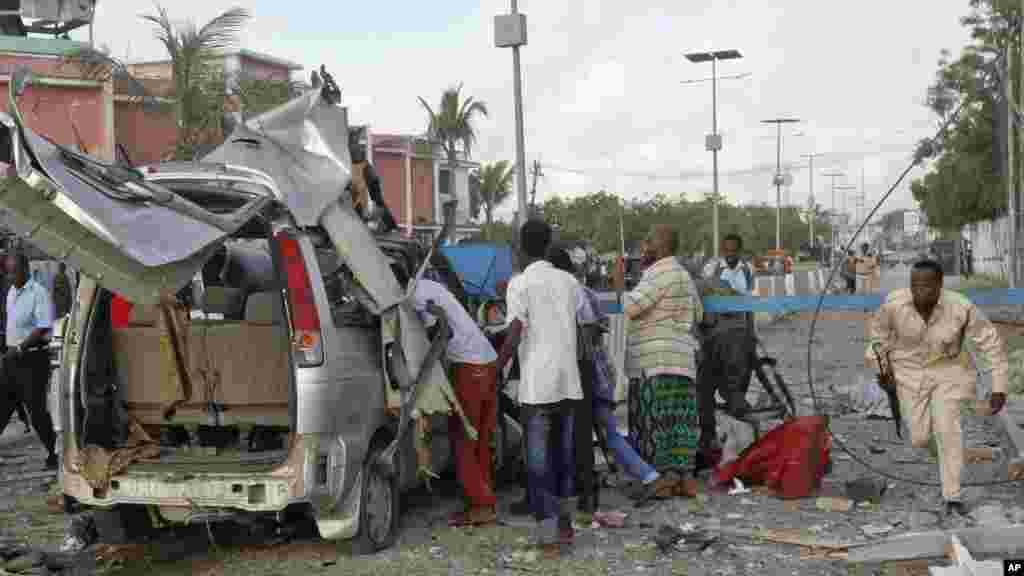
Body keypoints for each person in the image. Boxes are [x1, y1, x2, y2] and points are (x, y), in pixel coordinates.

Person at [866, 259, 1008, 517]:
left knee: (947, 429)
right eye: (914, 284)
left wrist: (999, 387)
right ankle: (939, 446)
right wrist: (882, 371)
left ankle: (952, 496)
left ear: (940, 285)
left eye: (927, 285)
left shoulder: (961, 307)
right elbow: (877, 340)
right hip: (908, 373)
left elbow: (991, 344)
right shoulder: (893, 305)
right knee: (919, 438)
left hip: (949, 372)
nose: (920, 291)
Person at [548, 246, 664, 499]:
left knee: (589, 433)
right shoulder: (586, 292)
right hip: (601, 372)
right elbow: (602, 325)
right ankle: (646, 475)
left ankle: (645, 476)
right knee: (606, 433)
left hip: (586, 375)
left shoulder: (566, 294)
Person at [496, 219, 583, 549]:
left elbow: (515, 331)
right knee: (563, 456)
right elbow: (578, 322)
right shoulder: (569, 282)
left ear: (520, 247)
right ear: (548, 245)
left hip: (538, 385)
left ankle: (548, 532)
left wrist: (497, 368)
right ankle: (564, 525)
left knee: (538, 462)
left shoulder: (519, 285)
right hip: (568, 381)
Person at [391, 263, 499, 527]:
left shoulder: (415, 296)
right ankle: (481, 504)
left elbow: (442, 330)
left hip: (470, 365)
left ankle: (484, 505)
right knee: (479, 439)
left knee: (463, 439)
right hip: (486, 360)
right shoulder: (428, 286)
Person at [611, 225, 702, 481]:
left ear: (660, 246)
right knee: (678, 426)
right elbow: (699, 312)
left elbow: (631, 306)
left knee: (653, 426)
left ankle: (657, 481)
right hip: (680, 360)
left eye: (647, 242)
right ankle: (681, 479)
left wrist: (619, 282)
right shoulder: (682, 273)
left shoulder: (661, 273)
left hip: (655, 362)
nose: (643, 248)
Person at [697, 233, 756, 473]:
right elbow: (704, 300)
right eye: (727, 250)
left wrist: (751, 334)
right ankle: (710, 438)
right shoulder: (711, 268)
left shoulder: (747, 270)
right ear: (722, 250)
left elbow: (749, 303)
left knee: (734, 388)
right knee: (706, 389)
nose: (730, 254)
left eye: (734, 250)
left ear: (739, 251)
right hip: (715, 333)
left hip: (737, 333)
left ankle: (741, 441)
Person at [0, 253, 57, 468]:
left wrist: (21, 347)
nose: (10, 275)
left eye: (14, 271)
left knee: (37, 412)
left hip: (32, 360)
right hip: (11, 360)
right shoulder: (11, 292)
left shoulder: (39, 293)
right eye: (8, 271)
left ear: (25, 269)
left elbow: (43, 326)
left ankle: (54, 453)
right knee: (2, 406)